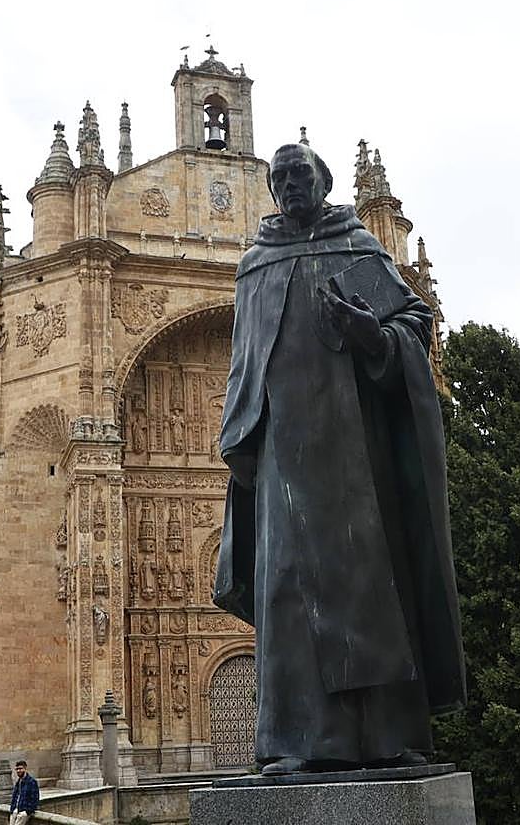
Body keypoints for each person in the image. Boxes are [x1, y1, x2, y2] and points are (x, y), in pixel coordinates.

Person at [214, 142, 465, 775]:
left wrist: (370, 335)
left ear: (324, 182)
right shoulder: (255, 264)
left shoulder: (356, 246)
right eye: (280, 178)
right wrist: (242, 438)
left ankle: (391, 736)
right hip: (280, 454)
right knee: (287, 595)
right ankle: (298, 743)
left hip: (357, 447)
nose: (290, 185)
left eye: (302, 174)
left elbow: (415, 321)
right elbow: (244, 361)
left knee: (372, 584)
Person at [9, 760, 39, 825]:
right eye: (17, 769)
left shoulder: (32, 782)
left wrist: (27, 811)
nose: (18, 771)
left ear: (25, 769)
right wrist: (12, 809)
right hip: (16, 810)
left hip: (24, 811)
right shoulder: (18, 782)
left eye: (20, 769)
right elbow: (14, 797)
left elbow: (35, 799)